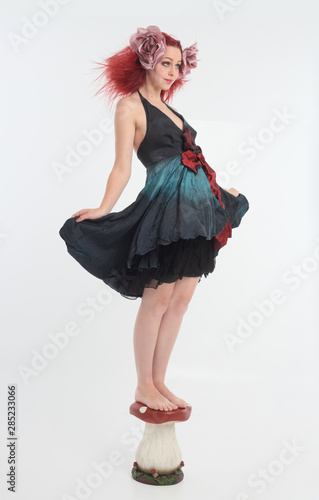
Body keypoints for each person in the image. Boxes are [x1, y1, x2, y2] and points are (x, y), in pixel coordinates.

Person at [59, 25, 250, 412]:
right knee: (158, 299)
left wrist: (220, 191)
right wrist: (103, 208)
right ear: (146, 61)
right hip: (167, 212)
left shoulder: (172, 110)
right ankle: (143, 384)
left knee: (180, 301)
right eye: (166, 63)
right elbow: (122, 168)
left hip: (198, 213)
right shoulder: (130, 106)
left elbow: (194, 161)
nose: (173, 72)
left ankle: (159, 381)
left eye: (178, 66)